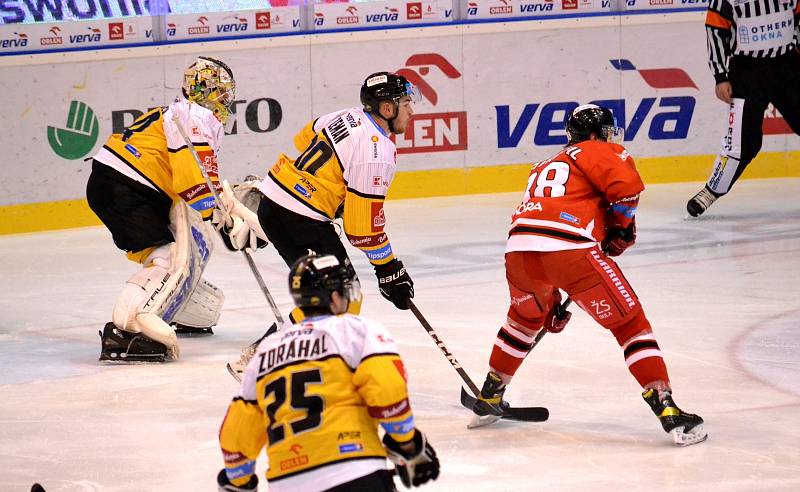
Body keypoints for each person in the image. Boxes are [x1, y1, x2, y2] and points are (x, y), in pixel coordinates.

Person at [470, 104, 708, 446]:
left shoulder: (546, 164)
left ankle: (491, 394)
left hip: (519, 251)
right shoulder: (600, 150)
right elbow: (626, 190)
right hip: (570, 249)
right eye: (607, 131)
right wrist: (620, 229)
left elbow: (543, 226)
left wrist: (549, 301)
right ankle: (667, 407)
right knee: (629, 325)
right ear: (596, 133)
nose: (612, 137)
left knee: (523, 320)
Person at [217, 253, 440, 492]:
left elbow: (237, 430)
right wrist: (407, 444)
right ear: (334, 297)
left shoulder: (265, 352)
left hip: (287, 482)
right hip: (355, 470)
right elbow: (387, 389)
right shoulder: (355, 330)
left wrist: (238, 479)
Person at [216, 72, 419, 323]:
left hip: (272, 202)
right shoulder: (376, 152)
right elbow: (361, 229)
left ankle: (273, 354)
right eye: (407, 103)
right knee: (343, 298)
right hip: (301, 220)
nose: (411, 111)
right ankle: (268, 353)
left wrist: (333, 187)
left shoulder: (349, 115)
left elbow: (304, 137)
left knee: (326, 296)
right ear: (388, 108)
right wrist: (387, 269)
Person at [86, 56, 236, 362]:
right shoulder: (195, 114)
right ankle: (126, 332)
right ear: (203, 89)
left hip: (123, 183)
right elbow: (192, 176)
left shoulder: (177, 112)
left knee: (182, 250)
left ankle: (171, 306)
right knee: (167, 259)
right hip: (128, 187)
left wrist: (220, 209)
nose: (226, 99)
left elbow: (191, 177)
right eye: (221, 91)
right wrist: (219, 215)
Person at [686, 0, 800, 216]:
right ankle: (711, 191)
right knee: (742, 143)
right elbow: (716, 31)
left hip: (789, 68)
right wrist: (720, 76)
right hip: (748, 73)